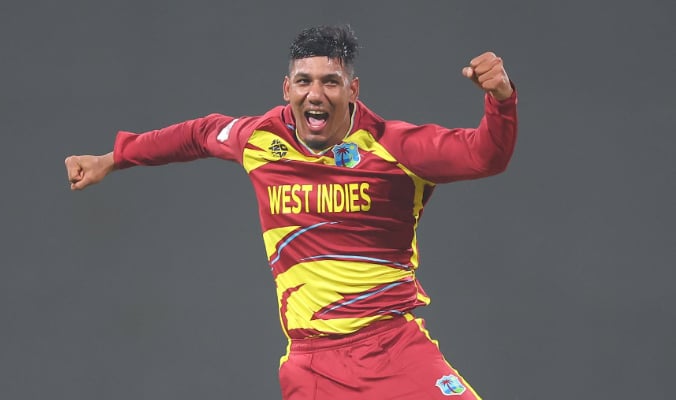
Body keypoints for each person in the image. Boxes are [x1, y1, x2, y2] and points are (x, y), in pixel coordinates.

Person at [65, 24, 517, 400]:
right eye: (304, 82)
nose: (315, 94)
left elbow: (486, 156)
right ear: (287, 89)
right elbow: (199, 134)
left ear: (353, 89)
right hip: (312, 366)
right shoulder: (260, 139)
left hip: (393, 351)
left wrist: (500, 98)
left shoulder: (395, 147)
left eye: (330, 82)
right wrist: (113, 158)